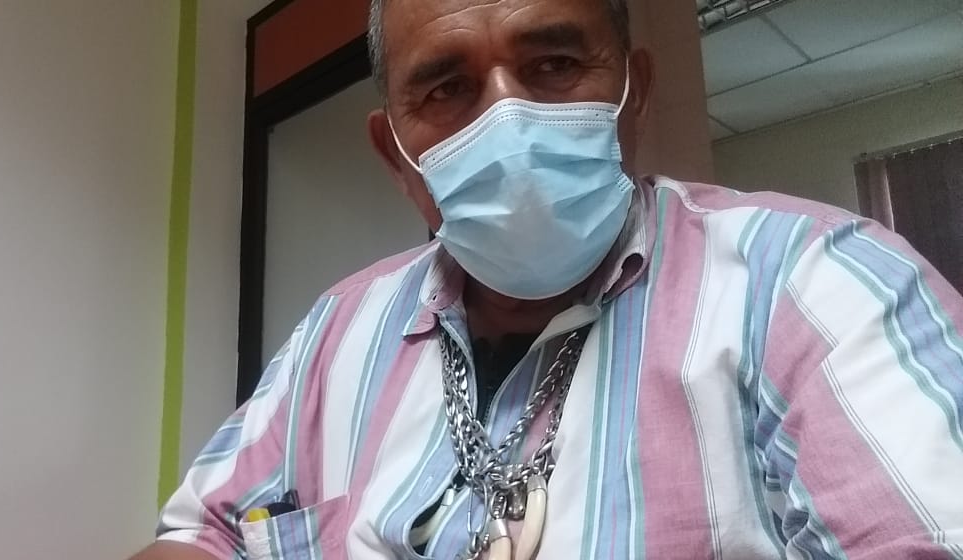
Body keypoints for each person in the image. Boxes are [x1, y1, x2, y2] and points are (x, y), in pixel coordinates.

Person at [132, 0, 963, 558]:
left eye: (556, 63)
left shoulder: (819, 282)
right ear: (396, 154)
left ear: (634, 93)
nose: (510, 118)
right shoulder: (335, 329)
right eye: (448, 87)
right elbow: (205, 533)